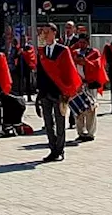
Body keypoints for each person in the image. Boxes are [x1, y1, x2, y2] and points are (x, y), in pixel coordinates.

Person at [35, 23, 81, 162]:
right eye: (43, 32)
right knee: (48, 123)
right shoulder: (42, 51)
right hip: (45, 92)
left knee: (60, 122)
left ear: (54, 32)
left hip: (58, 92)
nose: (44, 34)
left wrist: (66, 91)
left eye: (47, 32)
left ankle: (60, 150)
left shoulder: (63, 50)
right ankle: (52, 149)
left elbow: (68, 71)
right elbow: (40, 72)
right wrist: (38, 91)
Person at [74, 34, 106, 141]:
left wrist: (85, 62)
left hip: (90, 84)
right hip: (78, 85)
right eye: (80, 42)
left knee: (91, 108)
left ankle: (90, 132)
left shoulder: (94, 52)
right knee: (78, 109)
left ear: (88, 43)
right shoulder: (74, 53)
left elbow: (97, 66)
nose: (81, 44)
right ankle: (80, 132)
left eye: (84, 42)